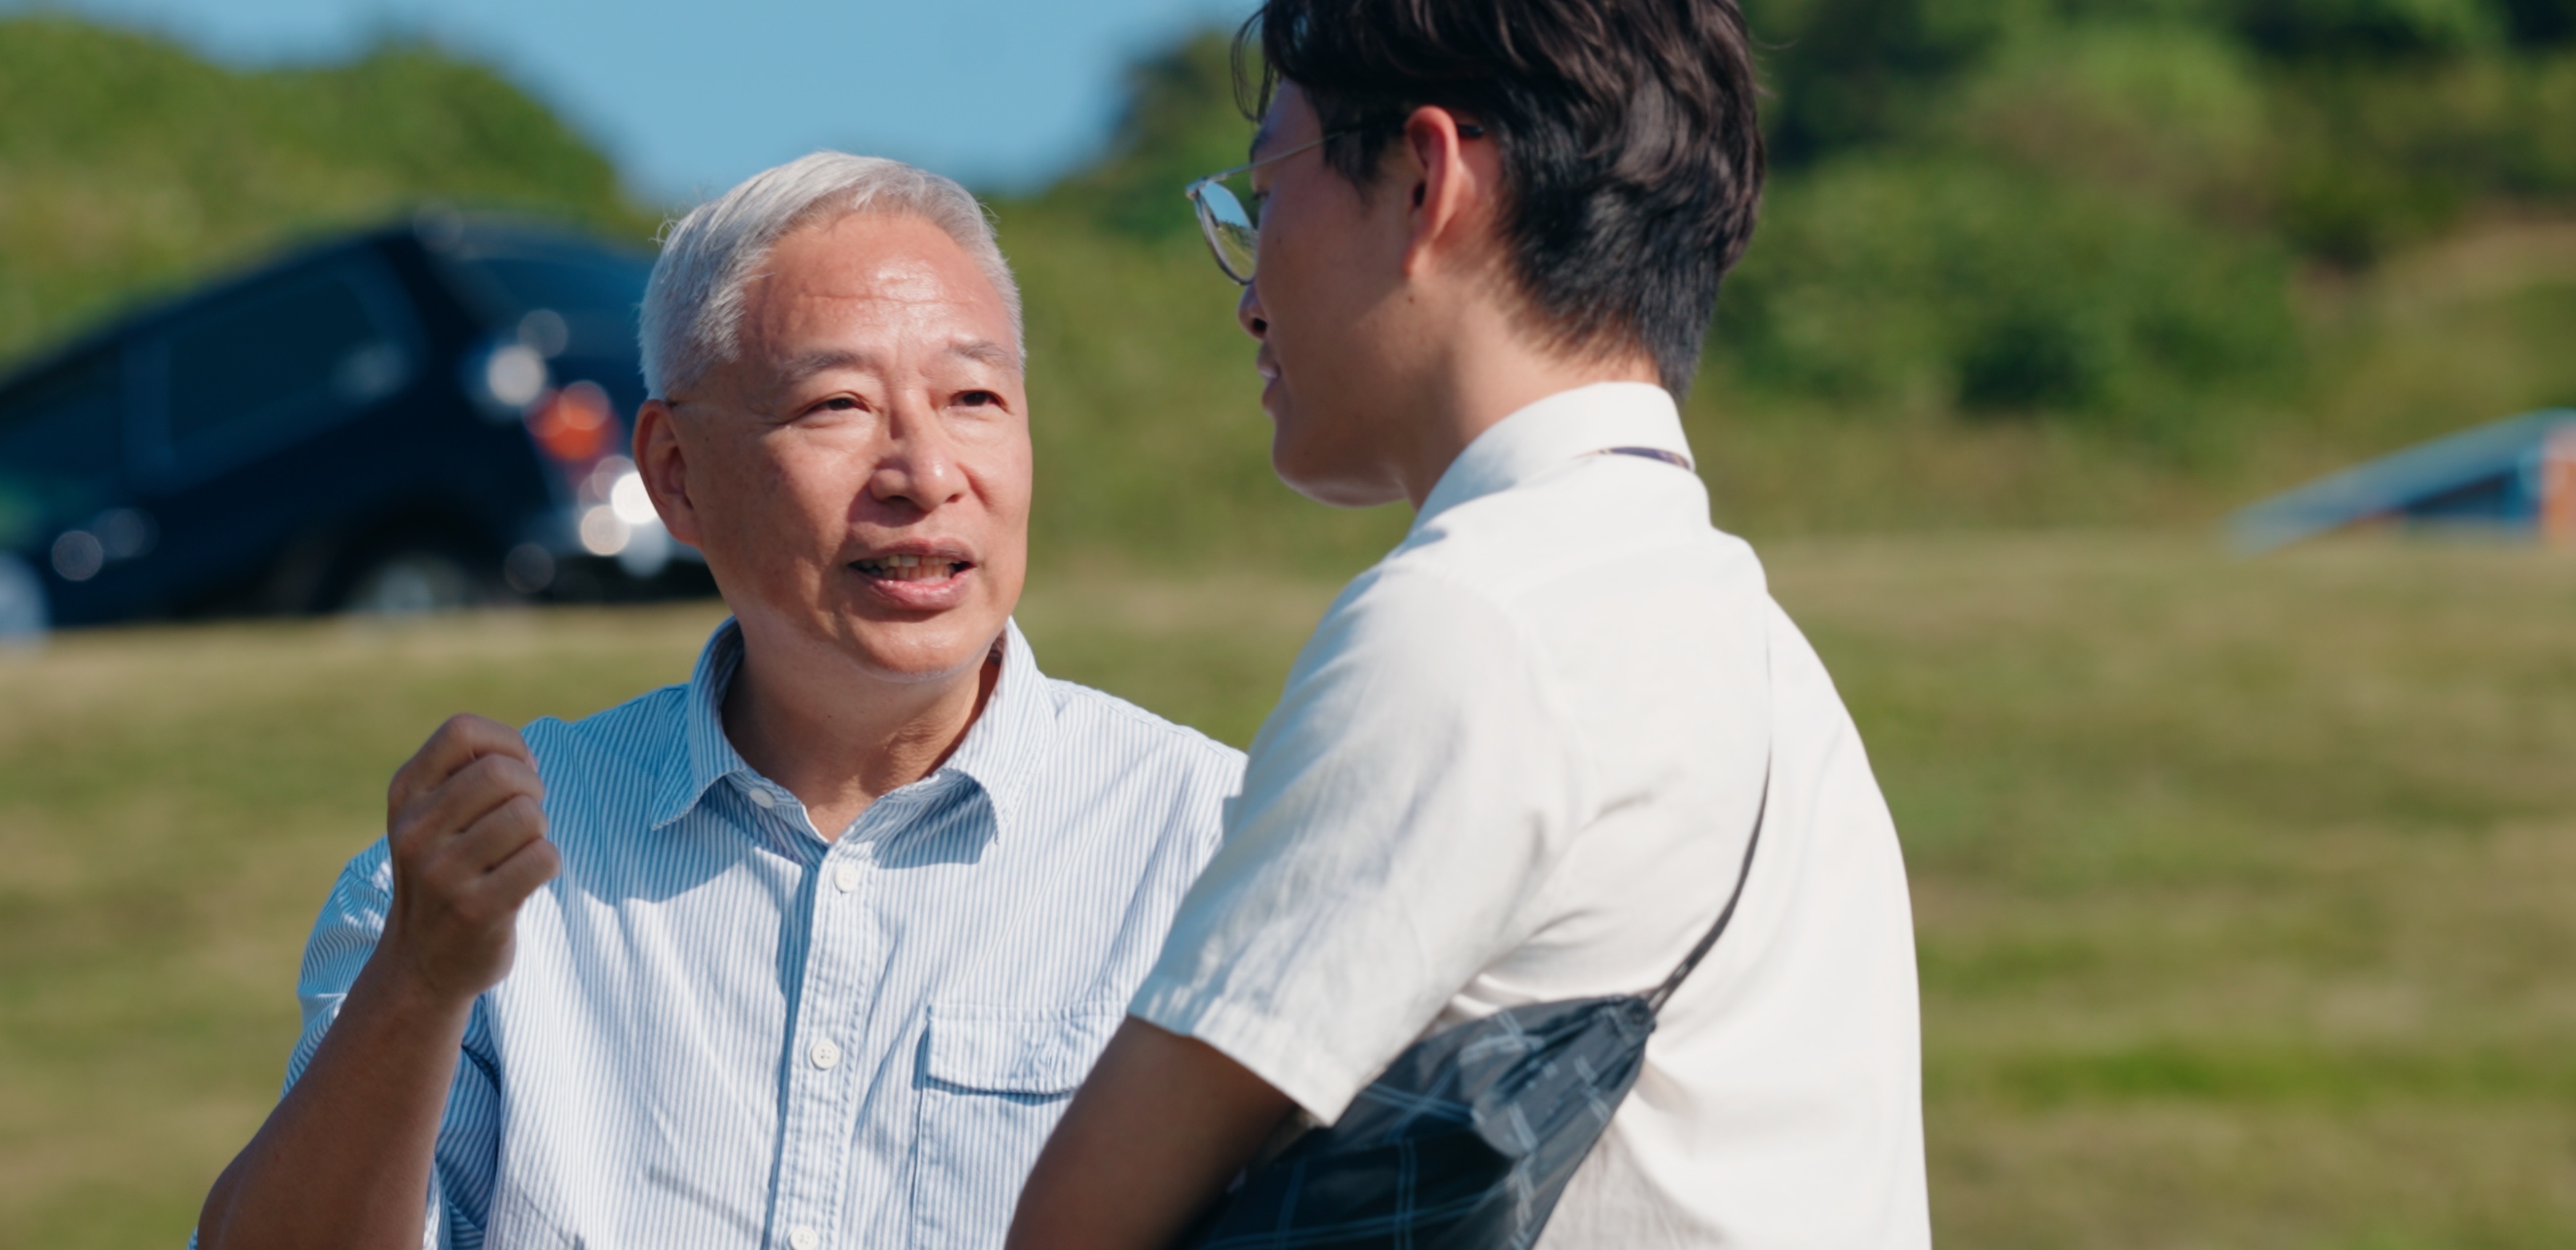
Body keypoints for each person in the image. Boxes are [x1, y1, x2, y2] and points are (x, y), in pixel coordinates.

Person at [192, 153, 1246, 1250]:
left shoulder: (1216, 850)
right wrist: (413, 981)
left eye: (974, 398)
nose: (923, 471)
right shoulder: (487, 880)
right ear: (675, 472)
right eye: (838, 404)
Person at [1009, 1, 1930, 1246]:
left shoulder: (1474, 621)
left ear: (1427, 178)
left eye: (1261, 192)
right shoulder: (1765, 655)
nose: (1247, 293)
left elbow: (1083, 1222)